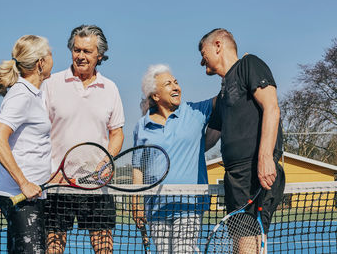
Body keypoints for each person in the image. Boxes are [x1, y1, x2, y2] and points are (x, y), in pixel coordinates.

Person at [199, 28, 285, 253]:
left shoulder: (249, 64)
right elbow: (212, 134)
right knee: (240, 242)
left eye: (203, 52)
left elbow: (272, 108)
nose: (201, 61)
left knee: (247, 242)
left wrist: (265, 157)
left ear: (218, 45)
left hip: (254, 172)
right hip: (235, 177)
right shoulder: (224, 89)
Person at [42, 25, 125, 254]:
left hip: (97, 187)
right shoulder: (51, 84)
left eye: (87, 51)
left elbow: (117, 133)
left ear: (99, 55)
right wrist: (49, 170)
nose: (80, 56)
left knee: (104, 250)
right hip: (57, 185)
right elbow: (40, 131)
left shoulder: (111, 89)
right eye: (76, 50)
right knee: (53, 250)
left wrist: (106, 162)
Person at [132, 64, 215, 253]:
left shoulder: (196, 112)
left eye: (176, 82)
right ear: (155, 95)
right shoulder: (141, 126)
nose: (176, 87)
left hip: (189, 205)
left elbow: (225, 98)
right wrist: (136, 202)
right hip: (156, 209)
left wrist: (236, 70)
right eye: (168, 84)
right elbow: (138, 167)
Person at [0, 35, 53, 254]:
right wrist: (24, 183)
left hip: (30, 197)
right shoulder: (21, 94)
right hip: (22, 198)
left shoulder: (34, 94)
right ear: (40, 63)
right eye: (50, 54)